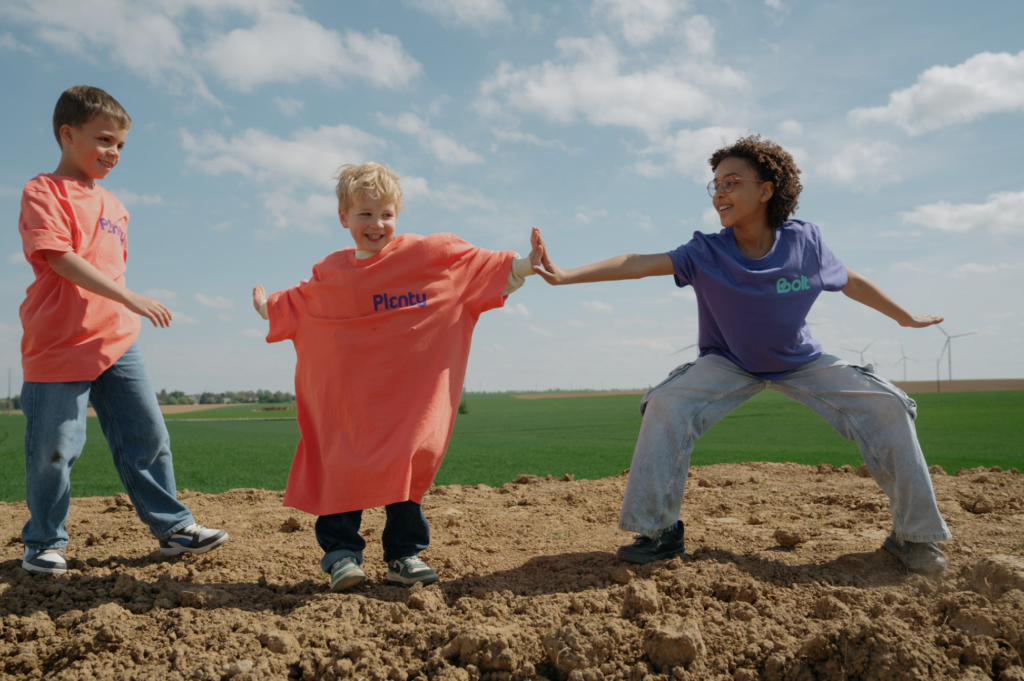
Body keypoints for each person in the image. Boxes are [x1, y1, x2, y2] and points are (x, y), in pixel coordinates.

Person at [532, 135, 951, 577]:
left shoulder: (805, 242)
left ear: (766, 190)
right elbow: (637, 263)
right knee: (666, 403)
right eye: (714, 185)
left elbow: (851, 281)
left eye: (731, 182)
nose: (719, 192)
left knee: (887, 406)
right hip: (728, 361)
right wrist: (564, 275)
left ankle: (914, 536)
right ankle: (658, 532)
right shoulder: (706, 252)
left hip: (798, 360)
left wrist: (904, 317)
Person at [252, 162, 541, 592]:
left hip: (405, 404)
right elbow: (303, 304)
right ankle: (341, 556)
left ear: (398, 215)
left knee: (406, 465)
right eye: (365, 214)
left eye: (386, 214)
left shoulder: (430, 258)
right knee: (341, 466)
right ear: (344, 217)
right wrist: (267, 308)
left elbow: (484, 272)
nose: (377, 224)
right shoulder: (331, 272)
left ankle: (403, 556)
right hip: (349, 405)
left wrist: (526, 265)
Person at [17, 86, 228, 575]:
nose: (114, 152)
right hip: (58, 343)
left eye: (121, 145)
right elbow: (59, 258)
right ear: (68, 134)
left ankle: (174, 528)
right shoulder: (42, 191)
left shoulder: (116, 206)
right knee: (54, 449)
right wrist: (129, 297)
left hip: (117, 341)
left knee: (148, 436)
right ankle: (44, 541)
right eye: (104, 140)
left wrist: (121, 307)